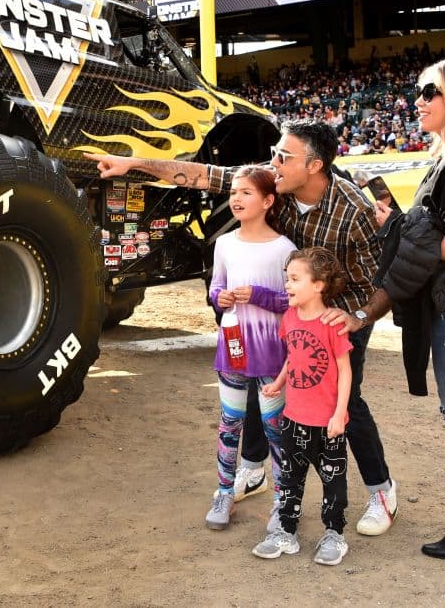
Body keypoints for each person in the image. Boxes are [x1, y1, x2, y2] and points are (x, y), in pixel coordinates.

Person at [84, 118, 399, 538]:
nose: (274, 162)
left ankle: (381, 491)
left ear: (315, 165)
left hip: (338, 316)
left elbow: (382, 282)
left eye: (284, 156)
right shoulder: (272, 184)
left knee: (344, 403)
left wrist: (355, 318)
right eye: (274, 153)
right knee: (257, 384)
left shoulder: (352, 210)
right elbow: (203, 176)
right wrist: (133, 164)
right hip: (281, 316)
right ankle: (252, 470)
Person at [323, 58, 445, 559]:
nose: (419, 101)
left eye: (429, 92)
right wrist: (400, 224)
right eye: (418, 92)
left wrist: (407, 230)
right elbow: (441, 235)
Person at [204, 166, 295, 531]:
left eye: (246, 193)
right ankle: (225, 491)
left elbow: (293, 301)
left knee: (276, 428)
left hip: (271, 352)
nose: (236, 199)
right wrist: (219, 298)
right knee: (230, 423)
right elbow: (215, 288)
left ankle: (283, 500)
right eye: (234, 192)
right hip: (233, 347)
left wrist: (258, 296)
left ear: (268, 201)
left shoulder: (284, 249)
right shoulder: (225, 244)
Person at [252, 247, 352, 565]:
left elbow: (346, 371)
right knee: (290, 480)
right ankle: (286, 532)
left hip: (328, 424)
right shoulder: (291, 317)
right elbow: (293, 358)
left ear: (319, 285)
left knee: (333, 483)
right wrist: (278, 384)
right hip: (293, 420)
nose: (288, 285)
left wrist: (339, 415)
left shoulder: (332, 324)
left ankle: (334, 534)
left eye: (295, 279)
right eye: (287, 278)